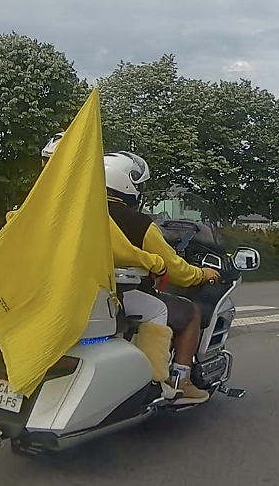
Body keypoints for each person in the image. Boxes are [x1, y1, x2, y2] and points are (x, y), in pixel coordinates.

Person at [38, 134, 181, 399]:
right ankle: (152, 380)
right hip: (84, 294)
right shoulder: (84, 208)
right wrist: (158, 264)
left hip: (48, 291)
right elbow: (121, 251)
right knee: (157, 309)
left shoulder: (40, 202)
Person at [103, 150, 222, 405]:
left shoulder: (81, 212)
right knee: (190, 312)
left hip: (86, 294)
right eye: (139, 185)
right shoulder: (138, 223)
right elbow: (175, 268)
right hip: (120, 296)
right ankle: (179, 381)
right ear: (127, 184)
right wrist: (202, 274)